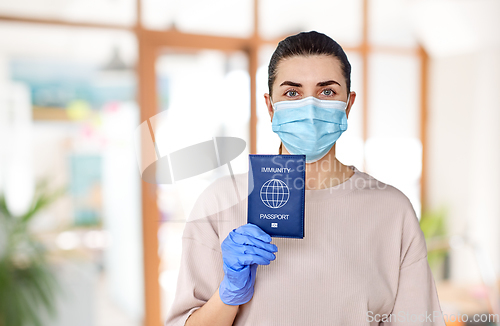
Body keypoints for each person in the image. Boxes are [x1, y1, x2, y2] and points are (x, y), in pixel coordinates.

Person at [164, 30, 446, 326]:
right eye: (292, 93)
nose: (309, 108)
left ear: (348, 105)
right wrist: (229, 294)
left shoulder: (392, 211)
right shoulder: (220, 202)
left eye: (326, 92)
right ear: (270, 106)